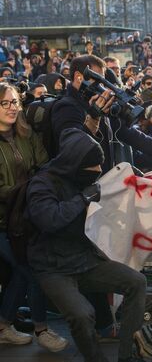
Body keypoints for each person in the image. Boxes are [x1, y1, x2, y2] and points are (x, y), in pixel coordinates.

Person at [26, 128, 146, 362]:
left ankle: (127, 356)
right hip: (52, 267)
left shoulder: (81, 178)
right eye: (93, 167)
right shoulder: (41, 183)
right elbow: (49, 220)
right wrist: (82, 199)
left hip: (84, 258)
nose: (98, 171)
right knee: (82, 315)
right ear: (76, 164)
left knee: (136, 282)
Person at [0, 83, 68, 351]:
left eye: (15, 102)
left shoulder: (27, 135)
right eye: (5, 103)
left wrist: (37, 189)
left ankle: (3, 326)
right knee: (31, 270)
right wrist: (27, 190)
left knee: (23, 273)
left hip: (28, 219)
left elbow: (43, 166)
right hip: (3, 222)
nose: (12, 108)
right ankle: (42, 329)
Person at [51, 55, 152, 171]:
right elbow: (73, 149)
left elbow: (127, 133)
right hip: (82, 185)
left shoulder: (99, 103)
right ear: (79, 77)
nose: (102, 87)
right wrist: (94, 116)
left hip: (106, 178)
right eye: (97, 80)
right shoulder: (66, 107)